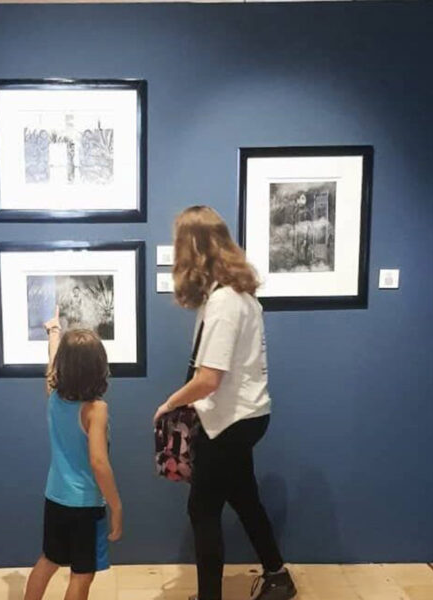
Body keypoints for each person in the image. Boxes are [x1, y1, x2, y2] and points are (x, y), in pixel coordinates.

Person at [154, 206, 296, 600]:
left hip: (229, 420)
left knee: (202, 510)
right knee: (244, 495)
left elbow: (208, 378)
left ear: (194, 249)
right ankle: (277, 576)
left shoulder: (223, 304)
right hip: (246, 415)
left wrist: (168, 404)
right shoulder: (239, 296)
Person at [24, 309, 123, 600]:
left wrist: (54, 332)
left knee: (48, 560)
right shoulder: (95, 410)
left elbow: (51, 368)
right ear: (99, 367)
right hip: (85, 505)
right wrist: (116, 506)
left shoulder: (54, 398)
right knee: (82, 573)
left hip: (55, 497)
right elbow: (98, 462)